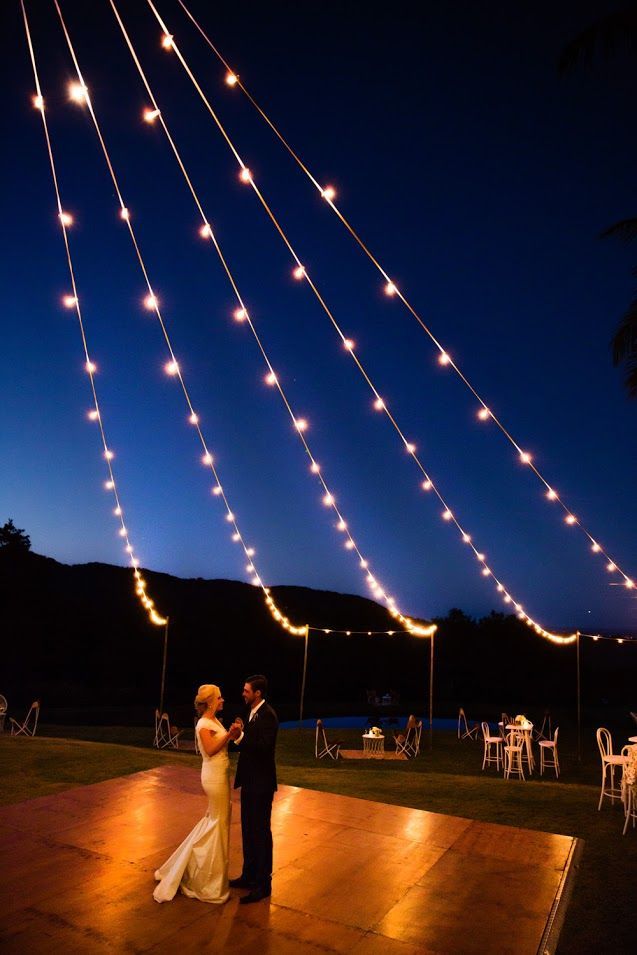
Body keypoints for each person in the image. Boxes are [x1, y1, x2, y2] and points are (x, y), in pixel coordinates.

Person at [153, 684, 242, 904]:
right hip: (213, 776)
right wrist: (228, 735)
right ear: (211, 702)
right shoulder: (203, 723)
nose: (222, 701)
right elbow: (211, 749)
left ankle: (201, 871)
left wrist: (233, 734)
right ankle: (205, 880)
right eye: (219, 698)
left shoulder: (215, 721)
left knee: (216, 821)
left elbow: (220, 744)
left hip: (220, 775)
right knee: (217, 822)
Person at [229, 674, 278, 904]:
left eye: (247, 690)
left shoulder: (268, 715)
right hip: (249, 782)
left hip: (262, 783)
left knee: (260, 833)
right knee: (247, 830)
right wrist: (239, 734)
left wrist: (240, 738)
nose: (243, 693)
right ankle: (248, 876)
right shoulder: (251, 712)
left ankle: (262, 884)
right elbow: (249, 743)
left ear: (257, 693)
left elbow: (263, 747)